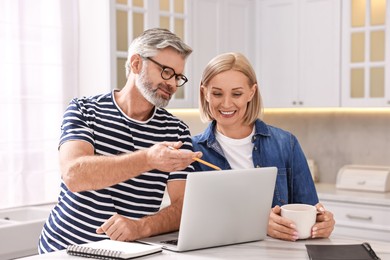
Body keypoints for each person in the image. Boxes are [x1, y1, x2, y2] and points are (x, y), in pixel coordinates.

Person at [38, 28, 202, 253]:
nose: (172, 84)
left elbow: (184, 208)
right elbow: (74, 175)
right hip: (63, 249)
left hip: (129, 252)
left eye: (177, 76)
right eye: (166, 71)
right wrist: (148, 159)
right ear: (136, 64)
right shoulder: (84, 109)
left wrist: (141, 227)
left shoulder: (176, 130)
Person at [191, 52, 335, 242]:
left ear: (252, 92)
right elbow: (195, 223)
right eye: (217, 93)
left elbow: (309, 210)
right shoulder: (193, 152)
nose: (226, 103)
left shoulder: (286, 143)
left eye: (237, 93)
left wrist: (322, 223)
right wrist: (258, 222)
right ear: (205, 93)